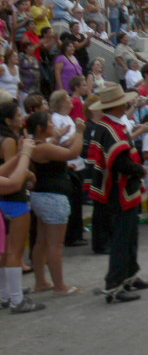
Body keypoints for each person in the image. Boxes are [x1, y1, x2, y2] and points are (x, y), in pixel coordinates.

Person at [87, 85, 148, 303]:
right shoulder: (110, 129)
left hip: (125, 189)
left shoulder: (111, 125)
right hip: (118, 191)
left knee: (131, 235)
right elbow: (118, 161)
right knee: (121, 237)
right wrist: (139, 169)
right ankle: (114, 285)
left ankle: (129, 275)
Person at [27, 110, 84, 297]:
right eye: (50, 124)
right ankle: (60, 286)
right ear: (40, 128)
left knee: (42, 241)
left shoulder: (39, 145)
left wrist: (59, 137)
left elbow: (59, 150)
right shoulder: (42, 147)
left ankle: (41, 282)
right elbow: (72, 152)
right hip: (53, 197)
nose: (53, 126)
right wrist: (80, 131)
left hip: (42, 195)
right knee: (54, 245)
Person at [0, 103, 41, 314]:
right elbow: (13, 174)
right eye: (17, 115)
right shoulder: (8, 140)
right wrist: (28, 170)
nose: (21, 117)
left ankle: (7, 294)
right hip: (14, 198)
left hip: (7, 198)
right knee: (14, 251)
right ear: (7, 120)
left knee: (6, 251)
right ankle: (16, 299)